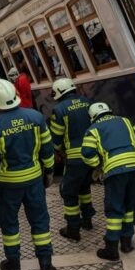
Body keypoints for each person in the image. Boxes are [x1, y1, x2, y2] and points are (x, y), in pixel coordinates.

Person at [0, 79, 57, 270]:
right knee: (40, 221)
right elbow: (47, 148)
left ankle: (14, 265)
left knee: (9, 225)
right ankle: (45, 265)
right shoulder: (35, 117)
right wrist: (49, 171)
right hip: (34, 180)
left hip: (8, 185)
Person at [81, 102, 135, 260]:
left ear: (92, 117)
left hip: (116, 170)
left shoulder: (92, 129)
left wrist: (99, 165)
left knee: (114, 208)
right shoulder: (126, 121)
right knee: (128, 206)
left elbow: (86, 154)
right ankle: (126, 243)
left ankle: (111, 247)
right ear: (109, 111)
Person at [48, 78, 95, 241]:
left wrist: (56, 151)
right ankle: (88, 220)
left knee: (68, 192)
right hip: (92, 155)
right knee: (84, 187)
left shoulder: (59, 109)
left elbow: (56, 137)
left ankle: (73, 228)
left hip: (74, 158)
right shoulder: (87, 102)